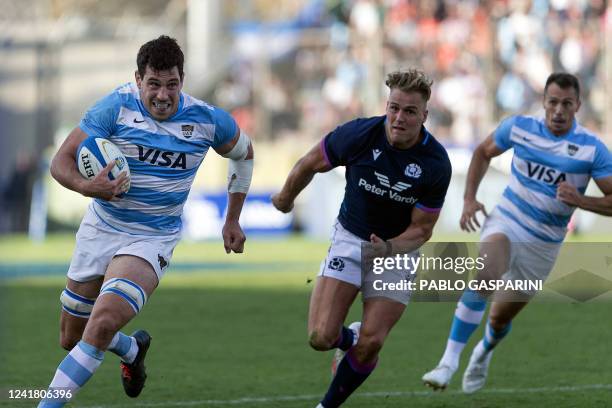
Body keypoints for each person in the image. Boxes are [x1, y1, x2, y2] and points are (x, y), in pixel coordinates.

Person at [38, 35, 254, 407]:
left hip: (151, 238)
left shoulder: (206, 119)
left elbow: (244, 154)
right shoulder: (115, 108)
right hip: (101, 227)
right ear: (138, 80)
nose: (163, 95)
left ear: (182, 80)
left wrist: (232, 218)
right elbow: (61, 161)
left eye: (172, 84)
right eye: (154, 84)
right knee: (72, 338)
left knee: (102, 322)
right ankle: (132, 350)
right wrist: (87, 187)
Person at [422, 72, 612, 394]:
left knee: (498, 318)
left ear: (578, 105)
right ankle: (448, 362)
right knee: (486, 273)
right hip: (508, 219)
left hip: (545, 243)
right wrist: (470, 198)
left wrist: (580, 200)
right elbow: (483, 152)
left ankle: (484, 350)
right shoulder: (519, 128)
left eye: (567, 103)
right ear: (544, 101)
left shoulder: (591, 150)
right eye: (553, 102)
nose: (558, 110)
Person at [272, 69, 452, 408]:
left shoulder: (436, 163)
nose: (399, 118)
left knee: (372, 343)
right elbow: (310, 162)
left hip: (397, 250)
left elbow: (422, 229)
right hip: (350, 238)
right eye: (394, 108)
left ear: (424, 116)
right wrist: (285, 199)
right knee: (321, 337)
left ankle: (326, 406)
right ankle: (347, 337)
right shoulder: (359, 134)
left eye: (410, 112)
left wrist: (390, 248)